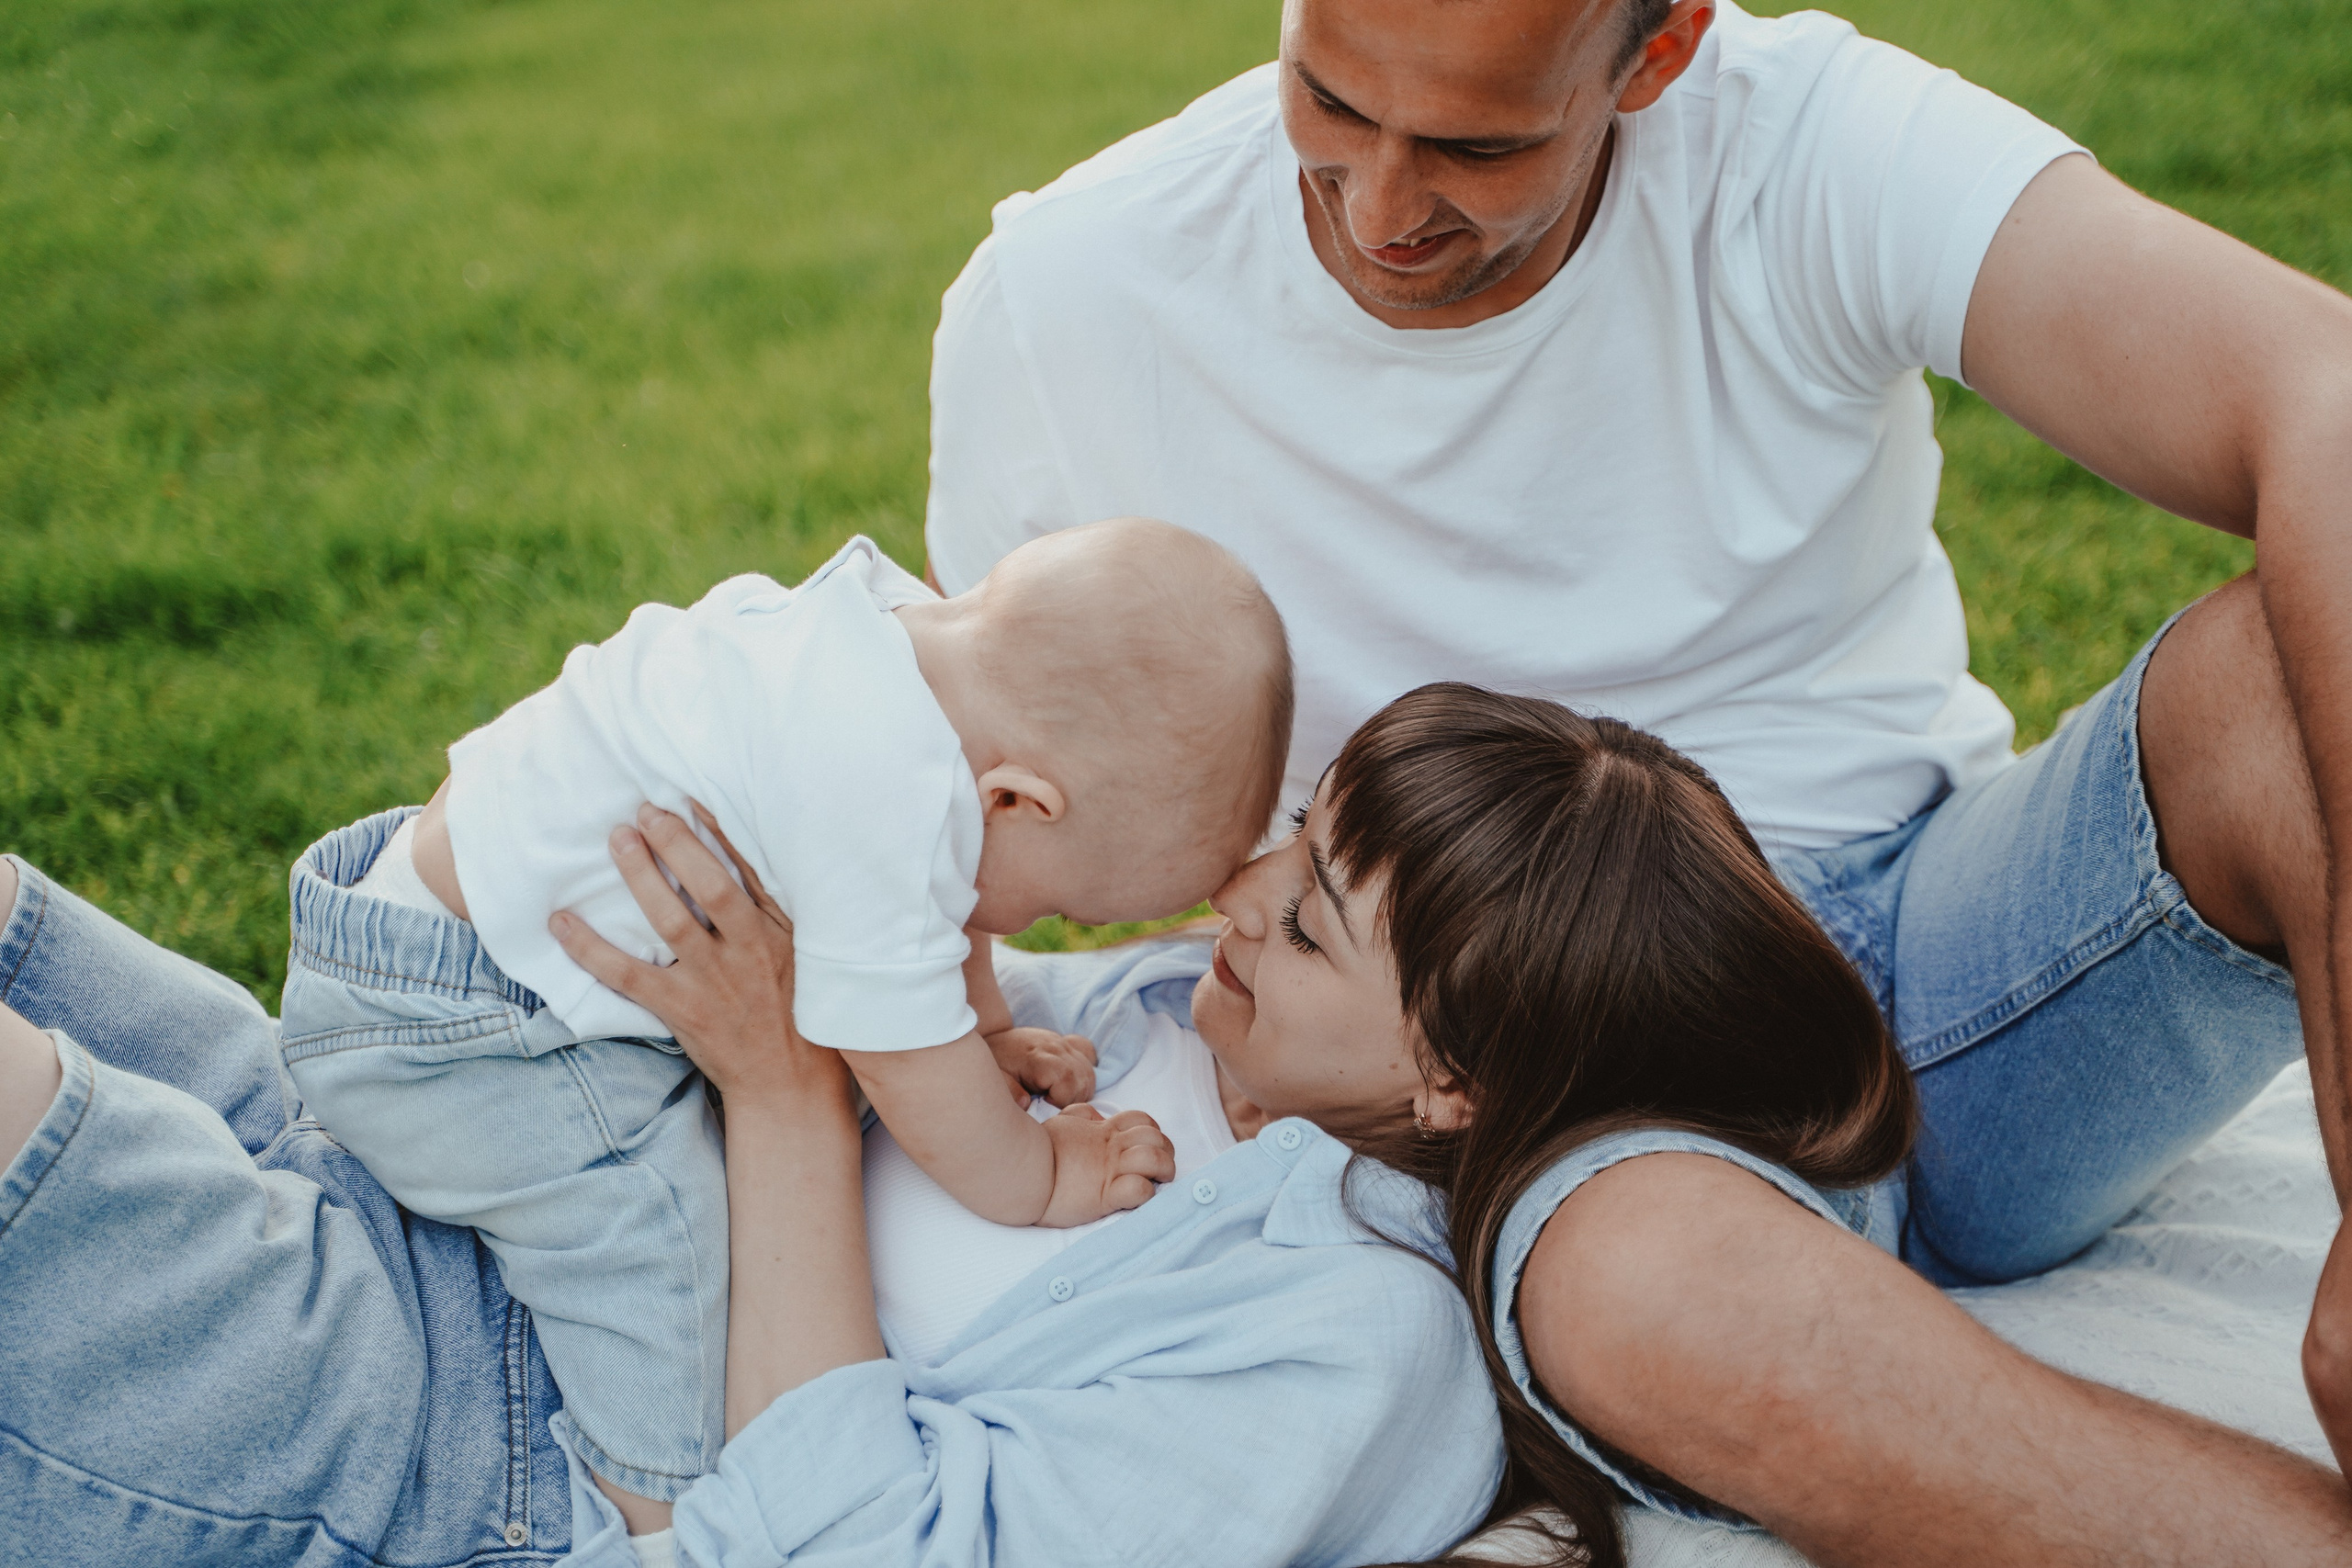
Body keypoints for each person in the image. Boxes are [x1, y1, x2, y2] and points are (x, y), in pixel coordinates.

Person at [919, 0, 2352, 1551]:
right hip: (1516, 1079)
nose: (1383, 210)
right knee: (1639, 1287)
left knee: (2279, 690)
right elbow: (983, 793)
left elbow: (2320, 393)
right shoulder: (1066, 292)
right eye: (1328, 102)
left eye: (1481, 144)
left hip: (1927, 962)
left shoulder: (1801, 143)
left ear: (1658, 54)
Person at [274, 517, 1290, 1526]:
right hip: (475, 1030)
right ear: (1018, 799)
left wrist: (982, 1036)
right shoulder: (878, 793)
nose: (1037, 928)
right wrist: (1046, 1175)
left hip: (426, 925)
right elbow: (906, 1068)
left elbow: (951, 905)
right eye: (1064, 909)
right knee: (655, 1249)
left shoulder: (889, 638)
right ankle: (654, 1519)